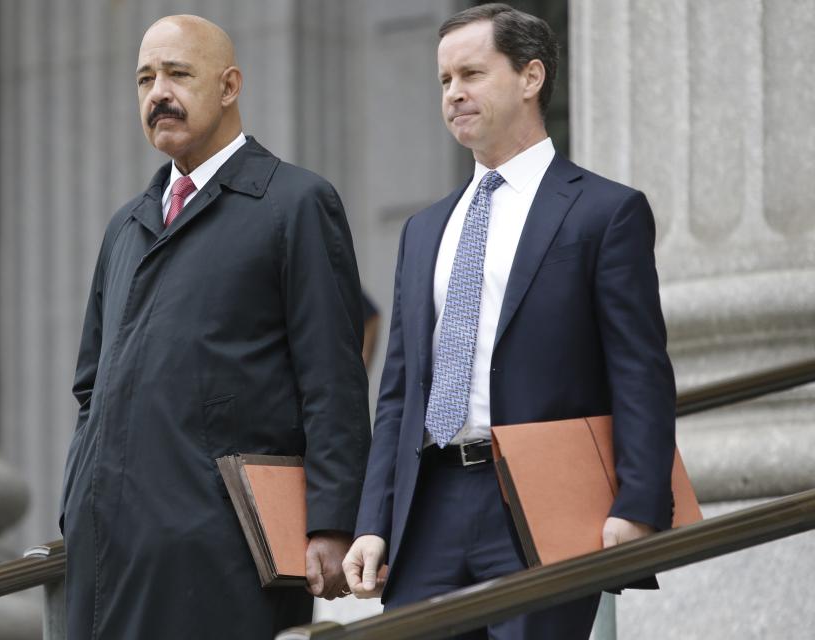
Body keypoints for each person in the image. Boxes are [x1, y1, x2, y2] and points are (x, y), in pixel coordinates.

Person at [342, 4, 676, 639]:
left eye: (471, 73)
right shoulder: (424, 230)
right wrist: (373, 520)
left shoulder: (605, 213)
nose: (454, 94)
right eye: (444, 81)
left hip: (542, 508)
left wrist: (637, 505)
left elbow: (640, 374)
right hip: (429, 508)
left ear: (531, 77)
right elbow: (398, 391)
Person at [58, 15, 371, 640]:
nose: (157, 94)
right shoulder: (126, 225)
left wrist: (332, 522)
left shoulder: (296, 202)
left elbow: (332, 377)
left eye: (178, 73)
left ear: (230, 86)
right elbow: (91, 386)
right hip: (108, 548)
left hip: (225, 546)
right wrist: (77, 499)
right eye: (145, 78)